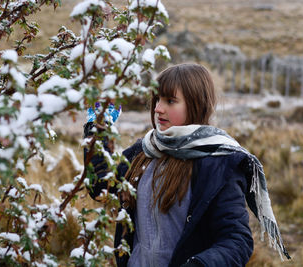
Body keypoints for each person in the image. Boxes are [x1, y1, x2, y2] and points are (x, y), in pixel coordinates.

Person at [84, 63, 290, 267]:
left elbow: (236, 241)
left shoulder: (217, 162)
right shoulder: (144, 151)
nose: (158, 108)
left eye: (170, 101)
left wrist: (199, 264)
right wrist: (98, 130)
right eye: (157, 99)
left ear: (195, 104)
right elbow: (101, 186)